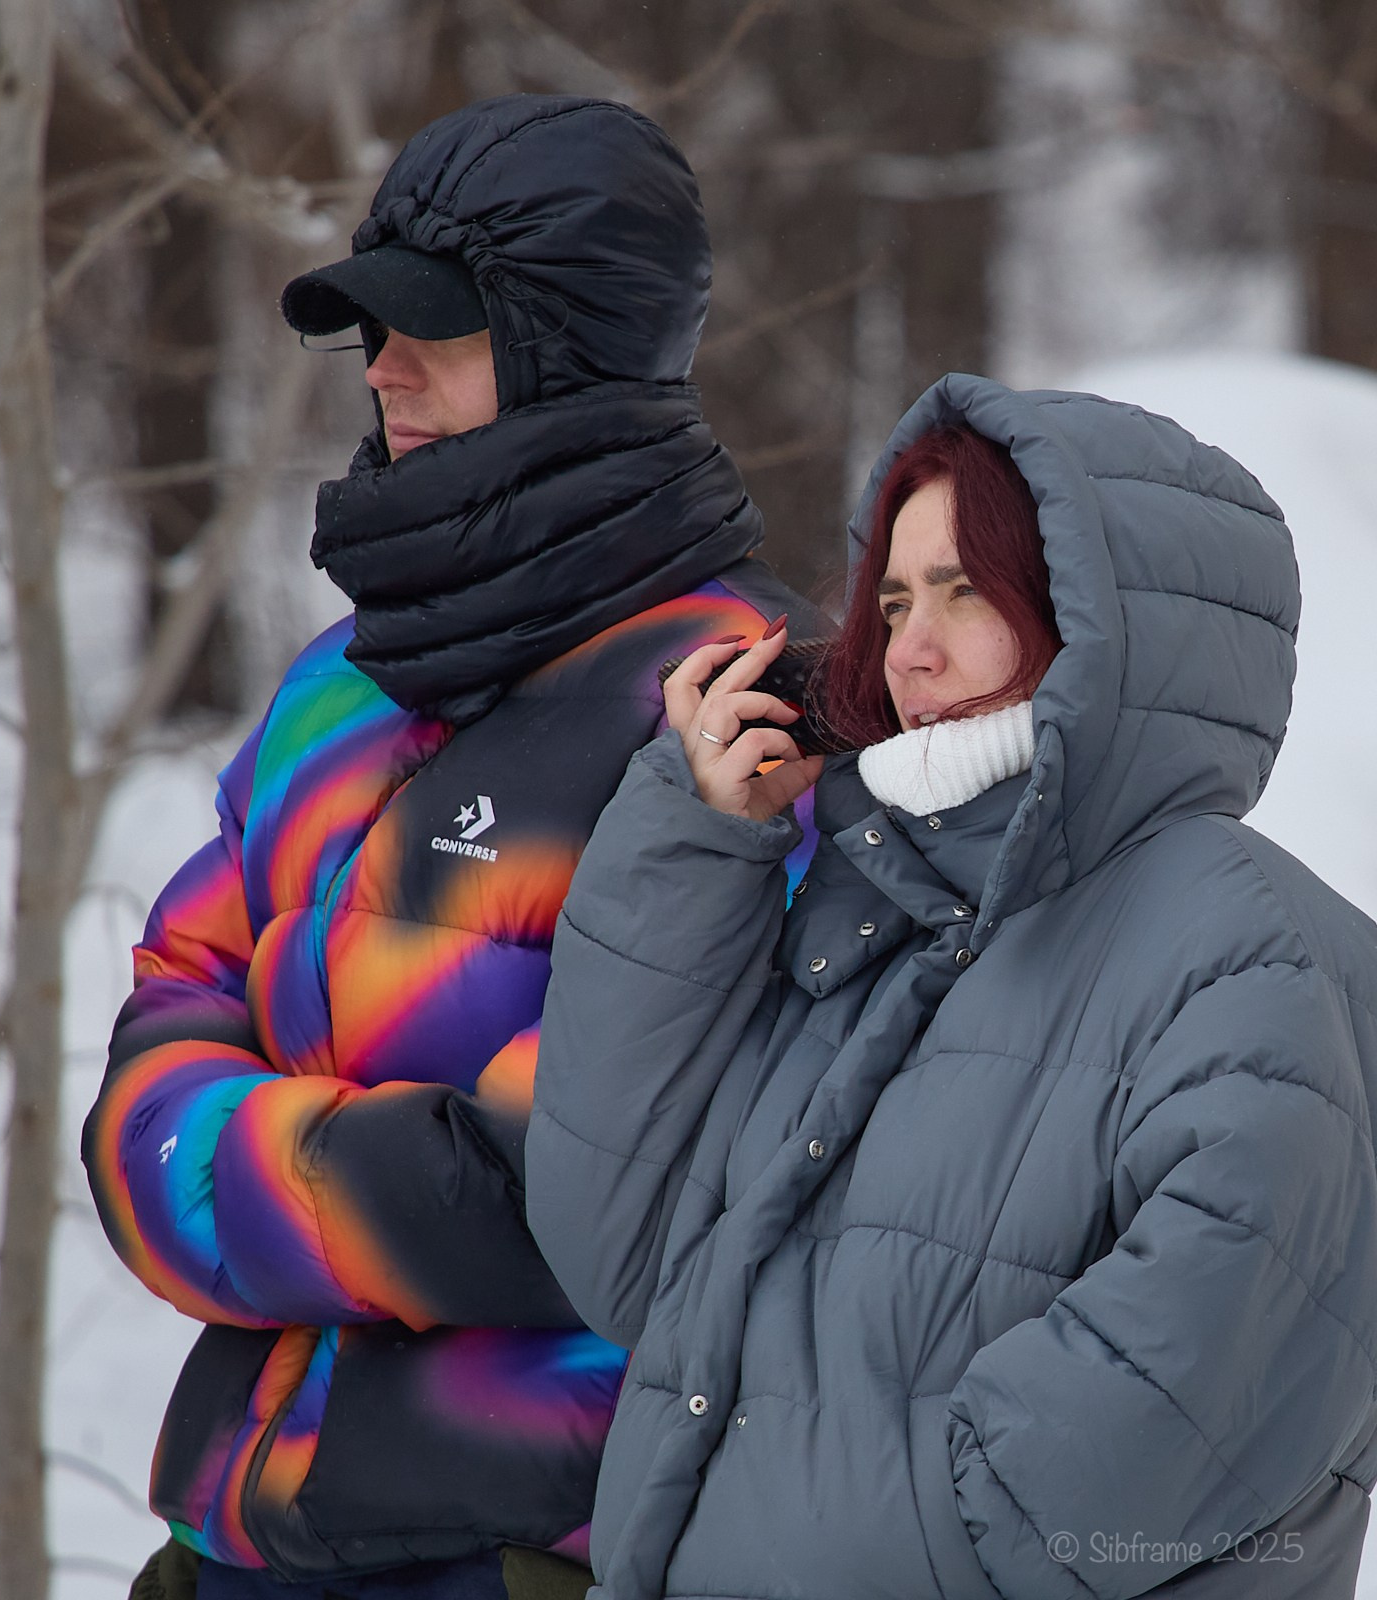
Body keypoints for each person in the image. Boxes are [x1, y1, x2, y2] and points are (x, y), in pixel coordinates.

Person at [83, 96, 817, 1599]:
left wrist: (235, 1165)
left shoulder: (733, 706)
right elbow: (151, 1062)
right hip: (235, 1540)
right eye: (373, 328)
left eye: (442, 328)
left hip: (515, 1555)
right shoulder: (342, 678)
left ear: (575, 348)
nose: (388, 368)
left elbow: (573, 1191)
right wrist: (321, 1174)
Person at [529, 374, 1377, 1599]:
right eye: (891, 599)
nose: (910, 651)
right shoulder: (878, 913)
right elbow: (624, 1254)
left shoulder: (1251, 953)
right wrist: (692, 849)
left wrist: (862, 1521)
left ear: (1099, 617)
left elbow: (1172, 1417)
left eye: (966, 591)